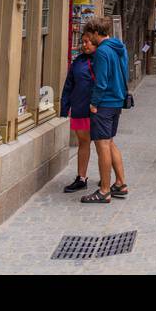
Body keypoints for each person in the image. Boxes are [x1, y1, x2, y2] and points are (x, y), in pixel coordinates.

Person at [81, 17, 129, 204]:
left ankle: (104, 190)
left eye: (89, 35)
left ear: (95, 33)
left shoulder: (101, 52)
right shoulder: (119, 47)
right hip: (117, 100)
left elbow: (101, 82)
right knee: (109, 142)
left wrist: (94, 103)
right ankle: (120, 183)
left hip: (105, 102)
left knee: (102, 146)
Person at [59, 31, 96, 193]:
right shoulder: (78, 62)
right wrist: (64, 107)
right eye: (83, 41)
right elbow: (69, 85)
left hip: (99, 109)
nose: (85, 44)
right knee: (83, 142)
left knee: (104, 144)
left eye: (89, 42)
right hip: (80, 108)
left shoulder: (102, 60)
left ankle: (107, 176)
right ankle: (81, 177)